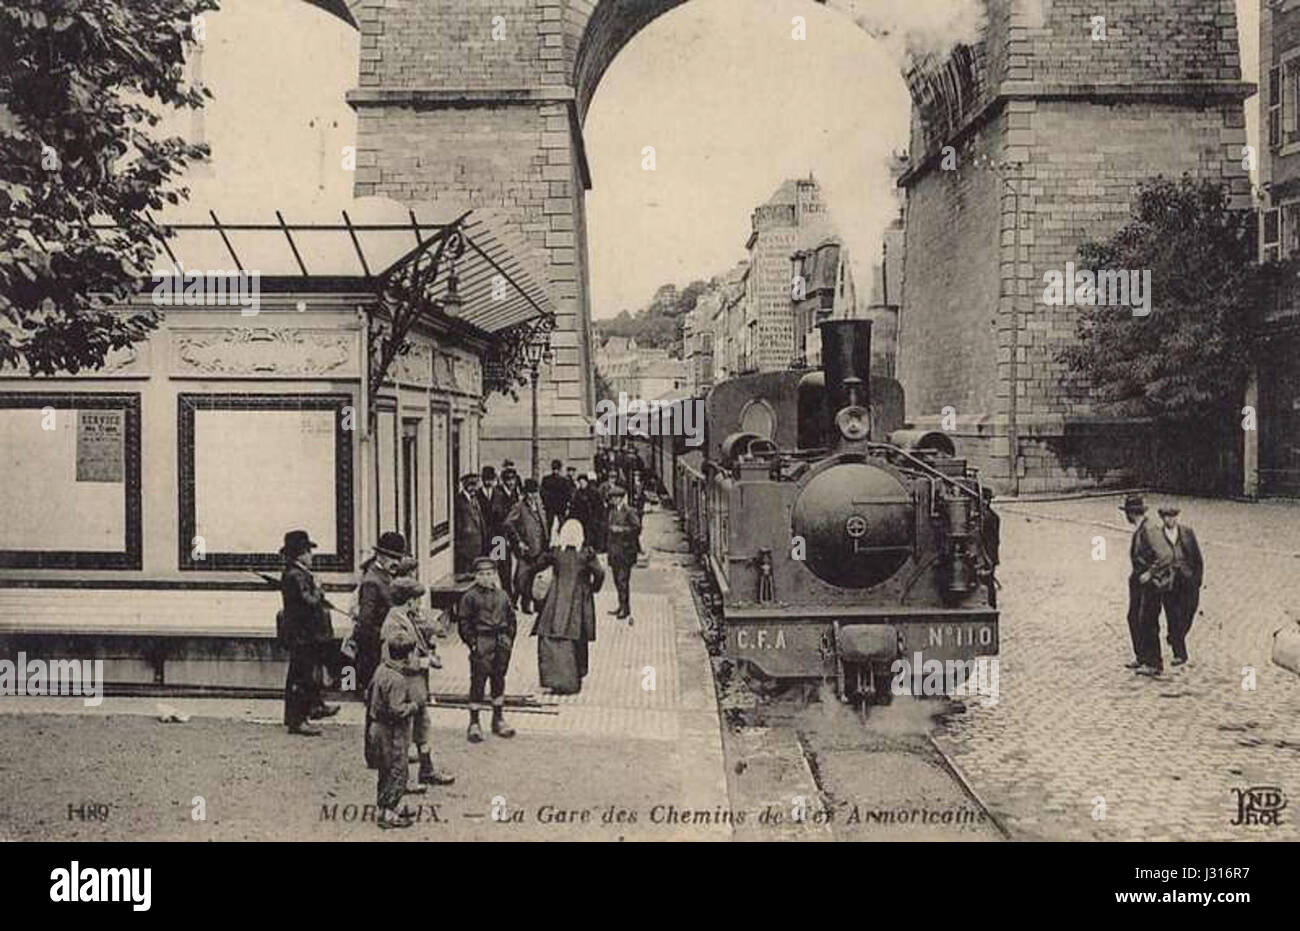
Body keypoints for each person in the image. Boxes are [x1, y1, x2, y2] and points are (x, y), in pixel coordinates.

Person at [379, 577, 455, 787]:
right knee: (403, 734)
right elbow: (393, 659)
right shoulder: (393, 623)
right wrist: (425, 662)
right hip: (404, 687)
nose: (420, 604)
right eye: (417, 600)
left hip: (416, 686)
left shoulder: (406, 617)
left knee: (422, 728)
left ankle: (427, 770)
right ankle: (402, 781)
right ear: (409, 600)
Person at [531, 520, 604, 694]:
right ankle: (578, 676)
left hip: (556, 601)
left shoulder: (556, 553)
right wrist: (593, 588)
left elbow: (537, 564)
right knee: (580, 638)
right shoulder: (586, 554)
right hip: (579, 602)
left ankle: (555, 680)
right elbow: (600, 573)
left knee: (552, 635)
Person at [279, 530, 338, 736]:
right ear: (300, 554)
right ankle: (298, 720)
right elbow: (309, 602)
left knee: (306, 674)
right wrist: (319, 590)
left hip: (305, 634)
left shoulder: (298, 573)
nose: (311, 556)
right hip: (302, 635)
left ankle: (312, 708)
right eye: (308, 552)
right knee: (301, 677)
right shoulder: (296, 575)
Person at [457, 556, 518, 742]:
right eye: (482, 574)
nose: (486, 577)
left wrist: (508, 639)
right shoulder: (469, 597)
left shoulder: (503, 595)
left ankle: (498, 719)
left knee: (498, 679)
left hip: (500, 642)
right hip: (482, 642)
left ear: (495, 575)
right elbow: (464, 623)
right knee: (478, 681)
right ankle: (474, 723)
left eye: (489, 574)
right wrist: (473, 643)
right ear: (476, 576)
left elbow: (512, 619)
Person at [366, 626, 420, 829]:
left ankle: (383, 806)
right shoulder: (397, 679)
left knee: (384, 770)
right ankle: (389, 813)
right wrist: (413, 706)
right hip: (392, 731)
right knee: (398, 769)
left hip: (376, 728)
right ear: (406, 655)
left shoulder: (381, 669)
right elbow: (397, 710)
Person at [1122, 494, 1171, 676]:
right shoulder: (1141, 528)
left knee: (1148, 620)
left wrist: (1150, 573)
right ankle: (1142, 657)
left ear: (1130, 513)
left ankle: (1154, 662)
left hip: (1151, 582)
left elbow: (1165, 555)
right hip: (1139, 580)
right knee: (1134, 617)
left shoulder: (1150, 529)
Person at [355, 531, 407, 695]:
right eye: (393, 558)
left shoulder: (386, 574)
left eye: (399, 558)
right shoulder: (372, 581)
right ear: (380, 556)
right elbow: (366, 620)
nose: (396, 562)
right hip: (376, 644)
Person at [1157, 507, 1203, 667]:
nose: (1171, 520)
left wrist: (1197, 579)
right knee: (1172, 616)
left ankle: (1175, 636)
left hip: (1187, 580)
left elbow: (1197, 557)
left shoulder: (1187, 533)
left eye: (1174, 517)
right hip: (1169, 583)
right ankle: (1180, 653)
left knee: (1189, 611)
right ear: (1162, 518)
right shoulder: (1157, 536)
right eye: (1167, 517)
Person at [504, 478, 549, 614]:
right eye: (530, 493)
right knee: (522, 577)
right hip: (526, 549)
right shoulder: (519, 506)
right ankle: (519, 603)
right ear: (525, 493)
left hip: (540, 547)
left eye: (535, 492)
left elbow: (543, 523)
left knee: (535, 576)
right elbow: (507, 523)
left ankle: (534, 604)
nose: (532, 496)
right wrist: (518, 541)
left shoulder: (539, 504)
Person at [606, 486, 641, 623]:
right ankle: (621, 605)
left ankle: (625, 609)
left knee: (623, 581)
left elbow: (637, 528)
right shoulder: (612, 512)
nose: (613, 500)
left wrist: (620, 530)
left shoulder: (630, 511)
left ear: (620, 498)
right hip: (614, 552)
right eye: (612, 498)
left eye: (614, 498)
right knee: (617, 581)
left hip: (626, 553)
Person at [478, 465, 513, 598]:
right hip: (484, 537)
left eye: (490, 479)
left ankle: (507, 597)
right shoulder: (478, 495)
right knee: (486, 566)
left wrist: (506, 537)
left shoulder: (499, 495)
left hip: (499, 537)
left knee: (504, 568)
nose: (488, 482)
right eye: (486, 479)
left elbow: (505, 516)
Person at [454, 472, 487, 577]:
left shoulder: (475, 499)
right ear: (465, 485)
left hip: (477, 546)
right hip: (465, 549)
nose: (474, 488)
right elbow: (458, 525)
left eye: (476, 485)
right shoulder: (459, 500)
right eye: (471, 485)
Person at [540, 459, 571, 535]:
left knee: (559, 525)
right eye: (554, 469)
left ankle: (556, 541)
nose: (555, 471)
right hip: (554, 506)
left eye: (556, 469)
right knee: (550, 526)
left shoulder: (548, 479)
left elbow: (567, 494)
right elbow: (543, 493)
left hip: (557, 507)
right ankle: (549, 542)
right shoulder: (563, 480)